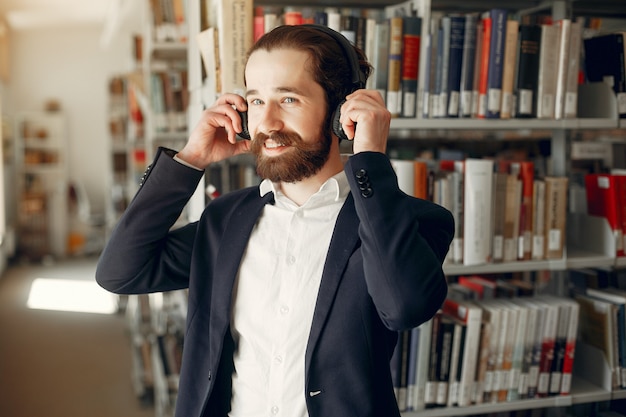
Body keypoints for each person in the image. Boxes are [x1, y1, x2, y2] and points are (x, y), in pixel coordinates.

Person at [96, 24, 454, 417]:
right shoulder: (225, 220)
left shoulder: (415, 222)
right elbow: (120, 273)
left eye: (288, 99)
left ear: (340, 110)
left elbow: (403, 307)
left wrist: (371, 160)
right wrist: (190, 159)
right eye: (255, 101)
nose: (266, 122)